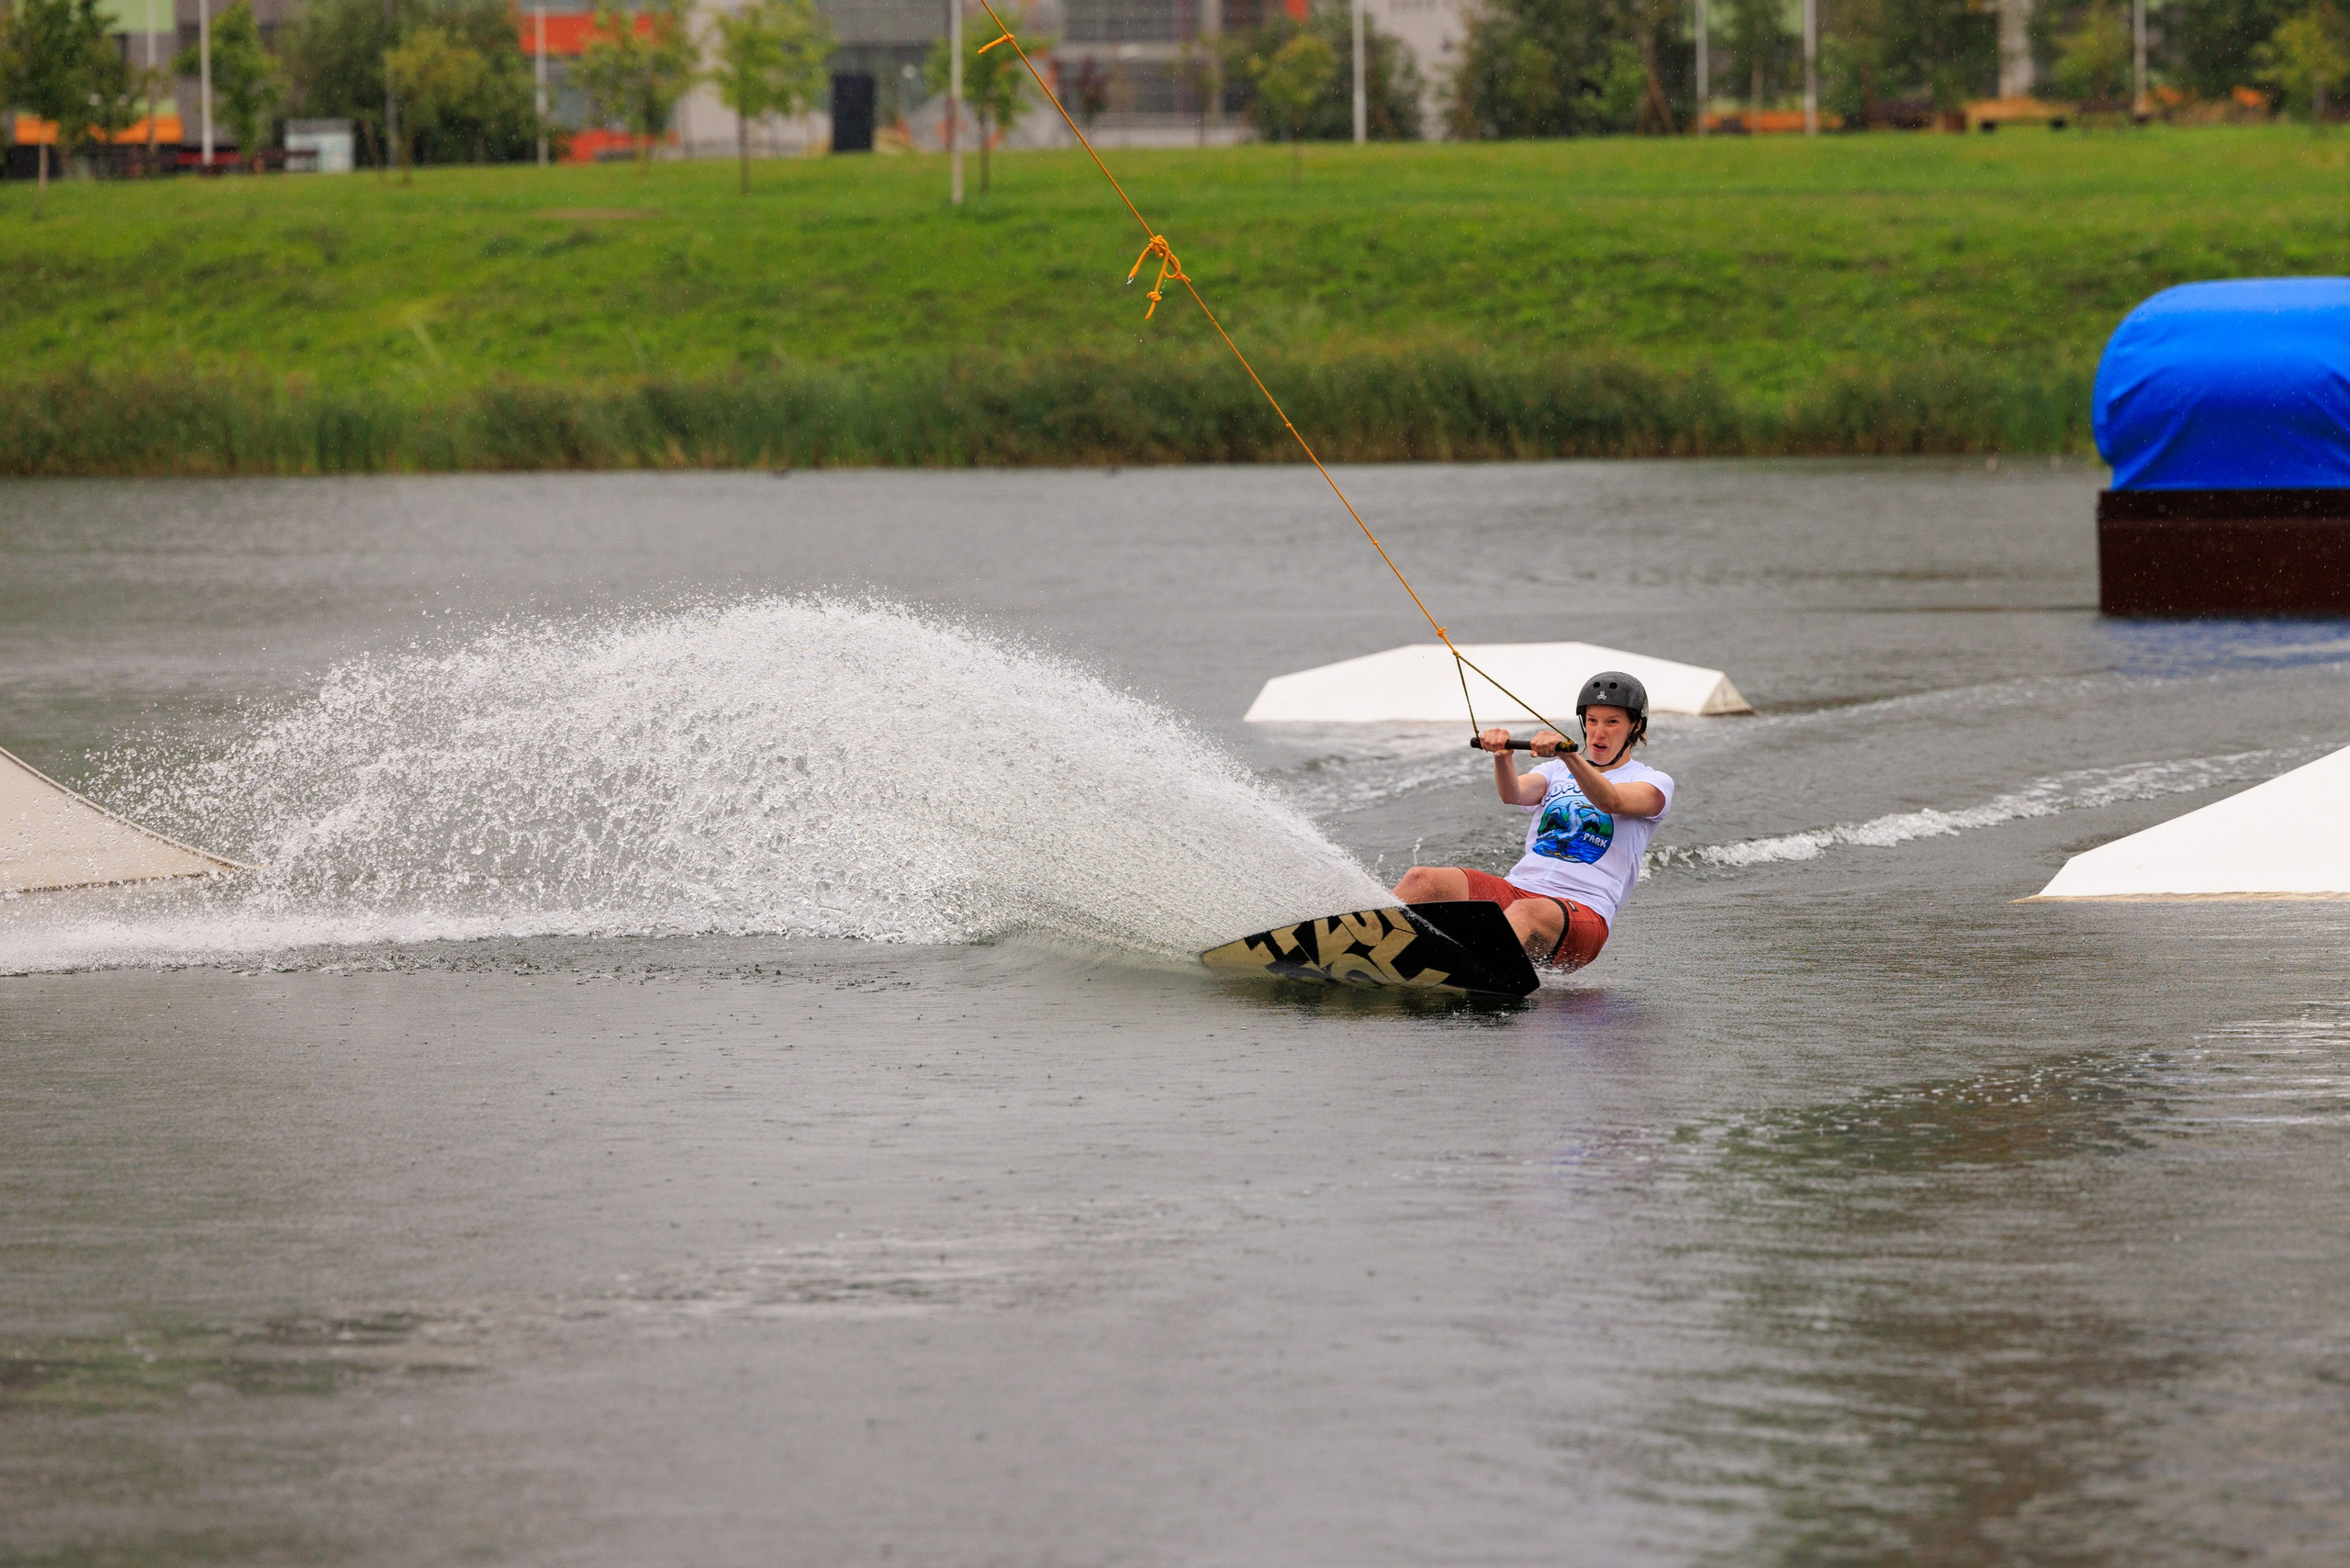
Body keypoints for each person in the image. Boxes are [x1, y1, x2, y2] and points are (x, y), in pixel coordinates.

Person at [1391, 671, 1673, 971]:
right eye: (1592, 721)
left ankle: (1468, 974)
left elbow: (1610, 800)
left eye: (1612, 722)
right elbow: (1513, 793)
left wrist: (1570, 757)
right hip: (1520, 890)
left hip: (1582, 913)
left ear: (1636, 726)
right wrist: (1503, 755)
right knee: (1421, 879)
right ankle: (1368, 944)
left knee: (1526, 912)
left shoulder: (1654, 782)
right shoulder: (1555, 771)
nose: (1598, 733)